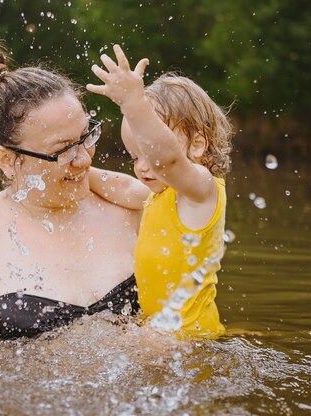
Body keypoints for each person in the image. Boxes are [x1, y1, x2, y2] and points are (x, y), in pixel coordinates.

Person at [0, 40, 145, 354]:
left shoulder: (128, 207)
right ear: (7, 160)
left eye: (86, 137)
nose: (83, 160)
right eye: (63, 150)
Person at [87, 45, 233, 338]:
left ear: (197, 145)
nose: (143, 167)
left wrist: (134, 103)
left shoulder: (201, 191)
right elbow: (121, 186)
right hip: (161, 336)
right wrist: (70, 168)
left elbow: (168, 160)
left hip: (192, 340)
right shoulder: (158, 196)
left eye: (149, 154)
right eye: (134, 156)